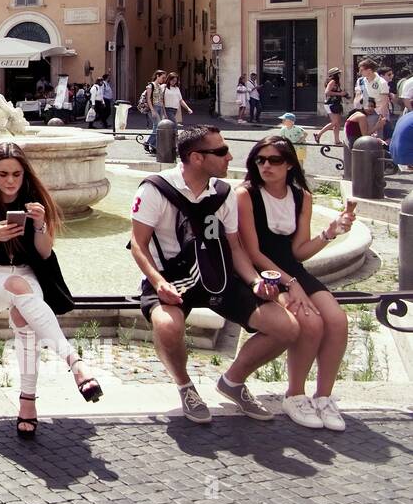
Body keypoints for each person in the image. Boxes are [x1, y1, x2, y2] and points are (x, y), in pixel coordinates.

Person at [129, 125, 301, 424]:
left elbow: (235, 248)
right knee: (168, 327)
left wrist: (255, 281)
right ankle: (185, 386)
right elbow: (138, 246)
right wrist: (159, 283)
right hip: (172, 279)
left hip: (216, 275)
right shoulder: (154, 189)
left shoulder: (223, 193)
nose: (229, 156)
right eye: (221, 151)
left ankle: (232, 381)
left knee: (287, 327)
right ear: (196, 158)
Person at [0, 143, 102, 438]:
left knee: (26, 322)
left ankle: (27, 402)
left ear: (25, 174)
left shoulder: (34, 202)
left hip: (25, 275)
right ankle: (75, 361)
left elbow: (45, 251)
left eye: (16, 174)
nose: (10, 181)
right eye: (3, 174)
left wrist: (39, 225)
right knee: (17, 287)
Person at [235, 137, 353, 430]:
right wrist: (290, 283)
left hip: (291, 270)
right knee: (310, 323)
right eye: (260, 160)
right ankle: (295, 394)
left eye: (274, 160)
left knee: (337, 320)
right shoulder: (246, 194)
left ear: (289, 164)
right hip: (265, 273)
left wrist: (330, 232)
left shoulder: (302, 197)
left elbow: (299, 251)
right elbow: (253, 252)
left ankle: (324, 397)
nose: (266, 166)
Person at [353, 59, 390, 143]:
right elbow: (357, 96)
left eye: (361, 70)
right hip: (364, 112)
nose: (359, 72)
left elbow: (384, 101)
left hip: (377, 113)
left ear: (369, 70)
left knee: (377, 138)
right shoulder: (360, 81)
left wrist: (382, 117)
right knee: (364, 136)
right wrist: (356, 111)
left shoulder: (382, 82)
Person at [314, 68, 345, 145]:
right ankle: (318, 134)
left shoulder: (336, 82)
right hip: (331, 104)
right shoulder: (332, 81)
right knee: (334, 122)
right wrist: (340, 94)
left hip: (335, 103)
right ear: (335, 75)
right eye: (338, 73)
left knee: (337, 123)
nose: (340, 75)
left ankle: (337, 140)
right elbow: (327, 92)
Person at [140, 69, 167, 154]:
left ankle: (154, 146)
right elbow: (148, 99)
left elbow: (161, 100)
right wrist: (152, 110)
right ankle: (148, 143)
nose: (164, 79)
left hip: (159, 107)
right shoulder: (150, 86)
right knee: (158, 127)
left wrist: (164, 112)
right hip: (153, 108)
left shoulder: (159, 86)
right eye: (162, 77)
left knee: (157, 127)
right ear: (157, 76)